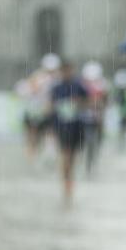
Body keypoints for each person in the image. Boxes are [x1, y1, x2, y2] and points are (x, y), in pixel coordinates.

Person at [49, 59, 88, 206]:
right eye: (64, 71)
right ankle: (66, 181)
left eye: (68, 70)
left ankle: (69, 178)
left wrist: (78, 103)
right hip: (62, 126)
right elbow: (51, 107)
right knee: (65, 154)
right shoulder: (57, 88)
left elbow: (90, 102)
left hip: (77, 126)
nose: (66, 73)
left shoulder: (78, 85)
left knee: (73, 155)